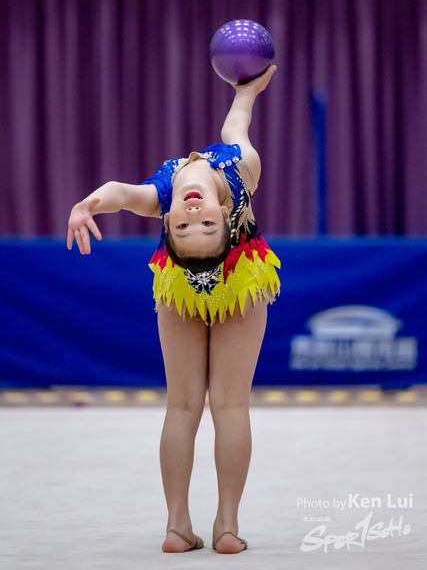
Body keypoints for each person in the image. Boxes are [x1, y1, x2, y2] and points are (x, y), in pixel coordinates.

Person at [67, 65, 280, 554]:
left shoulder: (162, 196)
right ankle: (205, 527)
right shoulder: (242, 168)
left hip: (235, 283)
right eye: (199, 224)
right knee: (216, 404)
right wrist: (246, 93)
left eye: (187, 226)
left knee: (197, 405)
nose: (192, 216)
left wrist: (89, 204)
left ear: (166, 221)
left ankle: (201, 526)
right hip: (201, 285)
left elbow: (122, 193)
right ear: (223, 215)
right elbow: (236, 126)